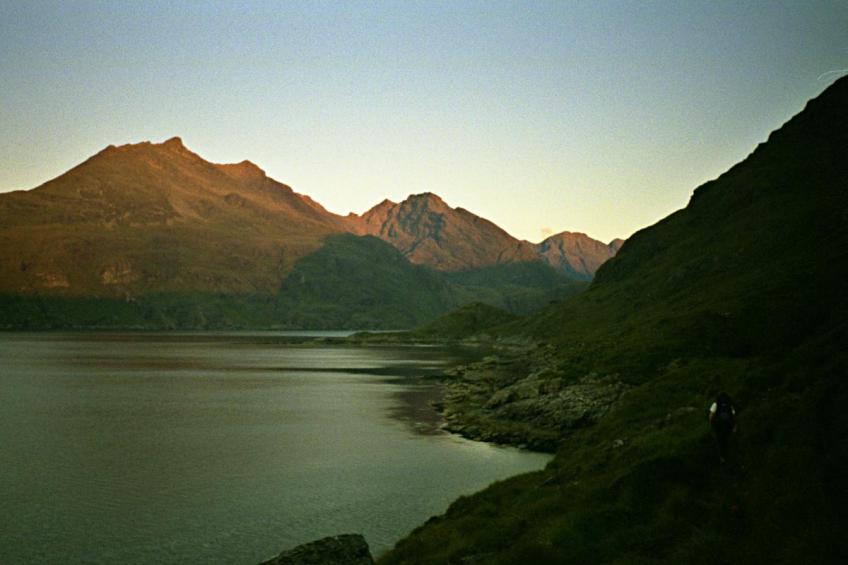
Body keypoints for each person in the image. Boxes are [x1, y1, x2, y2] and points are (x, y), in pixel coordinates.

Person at [709, 392, 736, 463]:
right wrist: (734, 426)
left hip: (718, 426)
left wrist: (712, 425)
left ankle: (722, 458)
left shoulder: (716, 404)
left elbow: (711, 416)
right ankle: (730, 457)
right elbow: (733, 416)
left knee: (719, 442)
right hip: (728, 425)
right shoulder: (729, 404)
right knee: (727, 440)